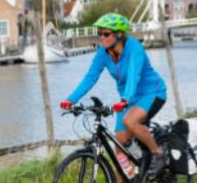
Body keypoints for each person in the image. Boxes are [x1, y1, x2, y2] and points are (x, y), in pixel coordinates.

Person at [60, 13, 167, 176]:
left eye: (106, 34)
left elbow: (133, 75)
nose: (101, 38)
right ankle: (130, 177)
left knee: (129, 121)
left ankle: (158, 153)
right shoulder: (103, 53)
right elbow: (90, 77)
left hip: (152, 93)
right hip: (127, 99)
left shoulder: (134, 48)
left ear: (119, 34)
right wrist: (70, 99)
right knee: (121, 148)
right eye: (99, 34)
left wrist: (126, 99)